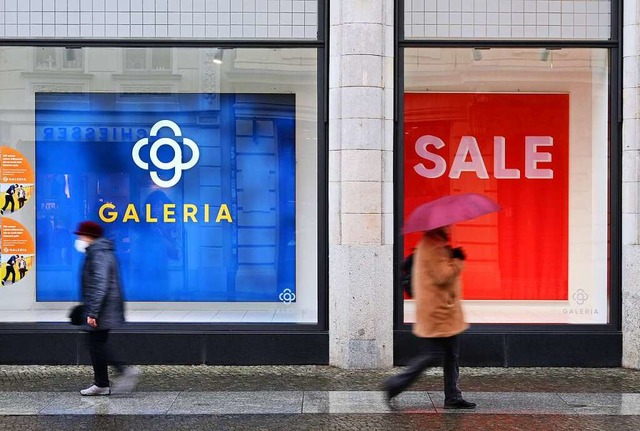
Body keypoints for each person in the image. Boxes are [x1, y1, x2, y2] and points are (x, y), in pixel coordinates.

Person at [384, 226, 476, 410]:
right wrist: (457, 260)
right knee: (432, 356)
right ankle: (395, 384)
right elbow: (444, 276)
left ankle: (452, 396)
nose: (451, 228)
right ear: (439, 227)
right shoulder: (433, 246)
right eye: (448, 226)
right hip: (439, 313)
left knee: (451, 355)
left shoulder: (435, 244)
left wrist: (450, 254)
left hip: (444, 312)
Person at [74, 220, 140, 396]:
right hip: (101, 307)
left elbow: (100, 284)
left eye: (81, 235)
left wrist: (93, 312)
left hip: (102, 309)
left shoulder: (99, 254)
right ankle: (102, 383)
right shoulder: (97, 252)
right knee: (96, 343)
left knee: (96, 344)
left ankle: (121, 372)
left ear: (90, 236)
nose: (79, 238)